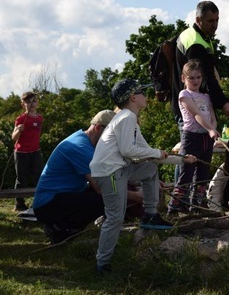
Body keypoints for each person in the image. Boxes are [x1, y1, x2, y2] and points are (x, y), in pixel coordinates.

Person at [91, 79, 195, 274]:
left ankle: (150, 214)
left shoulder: (129, 121)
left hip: (119, 169)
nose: (145, 96)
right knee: (115, 217)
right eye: (141, 92)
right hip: (110, 173)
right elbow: (128, 150)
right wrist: (156, 153)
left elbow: (148, 154)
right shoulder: (126, 117)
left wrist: (183, 160)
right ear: (132, 97)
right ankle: (102, 263)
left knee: (149, 169)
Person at [32, 110, 115, 243]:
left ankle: (66, 226)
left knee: (110, 191)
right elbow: (101, 188)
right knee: (106, 199)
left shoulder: (87, 142)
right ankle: (59, 228)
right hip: (47, 204)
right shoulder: (80, 147)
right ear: (98, 128)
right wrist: (136, 196)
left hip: (62, 196)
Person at [172, 0, 229, 124]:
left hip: (194, 107)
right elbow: (205, 79)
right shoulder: (195, 43)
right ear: (198, 20)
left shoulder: (197, 36)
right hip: (192, 112)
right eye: (210, 21)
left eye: (217, 20)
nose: (215, 25)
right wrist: (223, 103)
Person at [168, 59, 221, 214]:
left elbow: (212, 116)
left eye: (198, 77)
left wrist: (213, 128)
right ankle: (176, 206)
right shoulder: (184, 94)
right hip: (191, 137)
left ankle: (198, 204)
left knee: (203, 173)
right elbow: (196, 114)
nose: (196, 81)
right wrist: (210, 129)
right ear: (184, 78)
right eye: (191, 78)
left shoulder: (205, 96)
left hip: (206, 138)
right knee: (187, 172)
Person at [11, 91, 44, 212]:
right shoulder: (21, 118)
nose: (31, 104)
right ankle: (19, 204)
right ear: (22, 104)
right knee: (21, 179)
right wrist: (18, 130)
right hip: (21, 152)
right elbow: (14, 137)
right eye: (28, 102)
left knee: (39, 177)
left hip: (35, 151)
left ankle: (39, 202)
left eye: (34, 101)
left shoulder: (40, 118)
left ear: (38, 102)